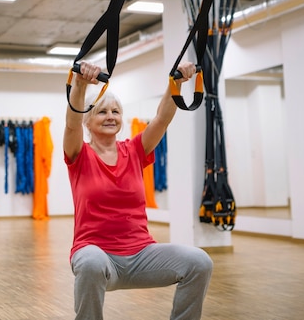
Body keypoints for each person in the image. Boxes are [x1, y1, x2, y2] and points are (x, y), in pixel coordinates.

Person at [63, 61, 213, 320]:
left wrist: (175, 83)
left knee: (199, 262)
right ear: (88, 119)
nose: (110, 116)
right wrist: (79, 84)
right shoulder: (80, 155)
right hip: (96, 253)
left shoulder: (135, 150)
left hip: (142, 254)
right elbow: (71, 125)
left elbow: (162, 119)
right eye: (101, 112)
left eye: (116, 111)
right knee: (90, 264)